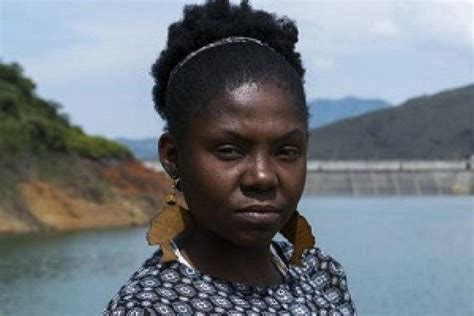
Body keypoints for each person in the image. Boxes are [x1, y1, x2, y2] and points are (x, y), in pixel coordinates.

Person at [104, 0, 356, 314]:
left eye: (287, 151)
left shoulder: (319, 274)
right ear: (172, 156)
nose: (262, 176)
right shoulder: (151, 307)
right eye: (229, 151)